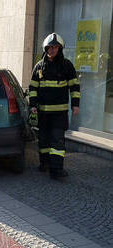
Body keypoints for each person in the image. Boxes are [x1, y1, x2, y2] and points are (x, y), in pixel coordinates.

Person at [28, 33, 80, 180]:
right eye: (50, 47)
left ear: (60, 49)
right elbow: (33, 87)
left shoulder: (67, 66)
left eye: (55, 47)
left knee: (57, 141)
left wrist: (75, 105)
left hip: (59, 113)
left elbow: (74, 87)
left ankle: (56, 170)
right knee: (43, 140)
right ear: (45, 48)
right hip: (43, 112)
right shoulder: (39, 66)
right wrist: (32, 105)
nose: (52, 50)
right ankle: (44, 164)